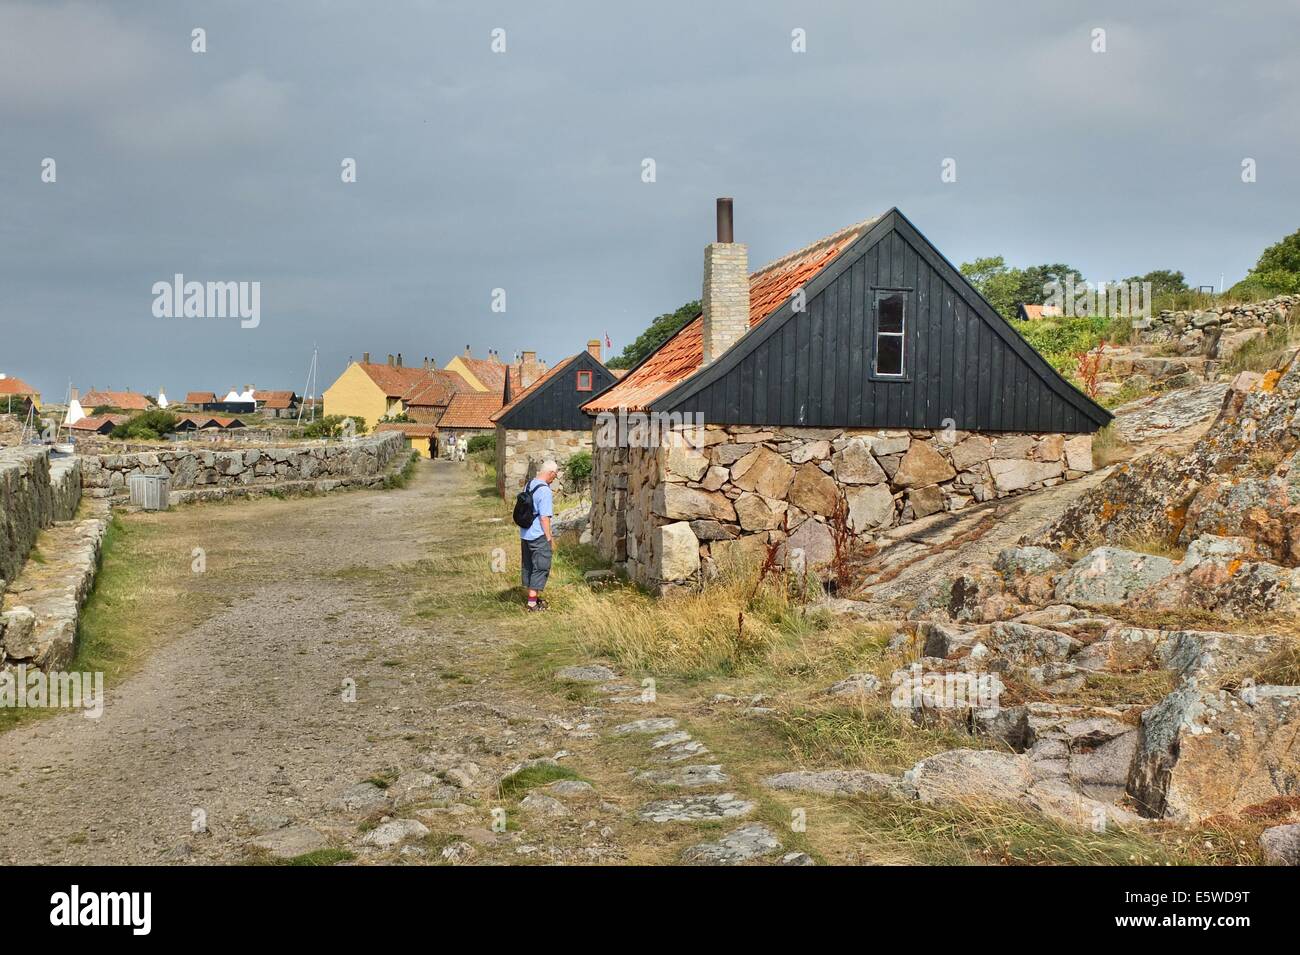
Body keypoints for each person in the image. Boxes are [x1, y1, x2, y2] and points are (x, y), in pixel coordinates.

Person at [519, 460, 557, 611]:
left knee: (528, 565)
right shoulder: (545, 491)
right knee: (541, 566)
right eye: (555, 475)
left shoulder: (529, 484)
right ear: (550, 473)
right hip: (538, 535)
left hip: (525, 533)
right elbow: (544, 518)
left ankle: (532, 597)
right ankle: (532, 604)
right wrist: (549, 537)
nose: (555, 478)